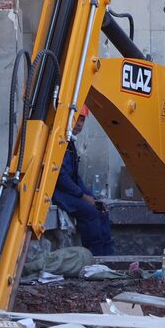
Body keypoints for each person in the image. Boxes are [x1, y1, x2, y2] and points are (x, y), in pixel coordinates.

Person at [51, 105, 115, 256]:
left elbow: (75, 176)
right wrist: (83, 196)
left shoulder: (70, 143)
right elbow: (61, 178)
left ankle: (109, 256)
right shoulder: (59, 142)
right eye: (77, 119)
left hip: (70, 191)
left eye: (82, 120)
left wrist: (92, 197)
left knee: (101, 210)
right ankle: (96, 255)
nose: (79, 123)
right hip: (58, 192)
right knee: (90, 212)